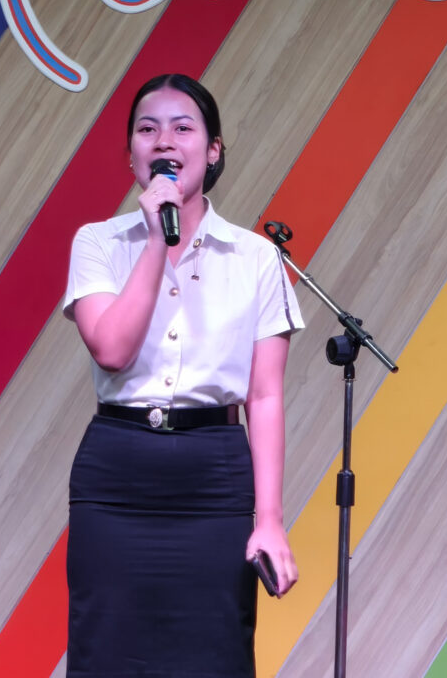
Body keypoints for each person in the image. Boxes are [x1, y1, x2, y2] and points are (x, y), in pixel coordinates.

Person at [63, 73, 304, 677]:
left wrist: (271, 522)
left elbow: (264, 396)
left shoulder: (256, 257)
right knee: (106, 653)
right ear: (132, 156)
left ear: (213, 150)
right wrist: (155, 240)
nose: (164, 140)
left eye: (182, 128)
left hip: (214, 477)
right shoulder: (98, 243)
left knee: (214, 655)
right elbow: (112, 350)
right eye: (147, 129)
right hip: (117, 472)